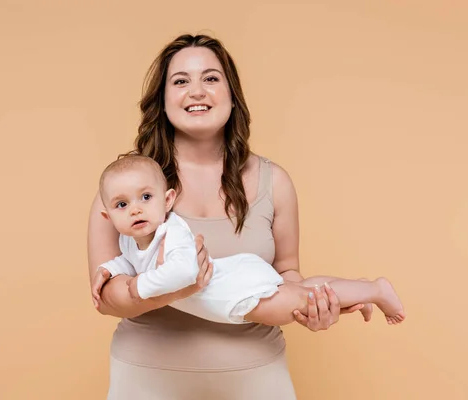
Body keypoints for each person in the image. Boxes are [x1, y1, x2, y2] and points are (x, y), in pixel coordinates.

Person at [88, 33, 368, 400]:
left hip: (257, 376)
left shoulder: (274, 182)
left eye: (211, 78)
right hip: (145, 379)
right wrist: (180, 286)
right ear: (162, 101)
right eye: (181, 81)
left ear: (232, 96)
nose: (197, 91)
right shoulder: (123, 191)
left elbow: (287, 274)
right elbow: (105, 299)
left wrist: (311, 309)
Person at [92, 155, 405, 326]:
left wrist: (136, 288)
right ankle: (360, 289)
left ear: (168, 199)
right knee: (300, 291)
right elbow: (129, 260)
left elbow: (184, 273)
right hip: (234, 284)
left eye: (146, 197)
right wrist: (108, 269)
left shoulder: (171, 232)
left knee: (293, 303)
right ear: (108, 217)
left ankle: (375, 289)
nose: (135, 209)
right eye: (122, 205)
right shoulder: (131, 239)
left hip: (236, 288)